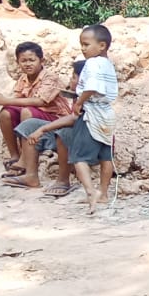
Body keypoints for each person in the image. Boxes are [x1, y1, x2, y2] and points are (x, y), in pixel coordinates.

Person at [2, 59, 84, 197]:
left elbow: (73, 119)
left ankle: (63, 181)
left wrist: (43, 129)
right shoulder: (77, 96)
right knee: (29, 125)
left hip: (87, 138)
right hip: (72, 130)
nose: (71, 80)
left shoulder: (93, 97)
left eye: (74, 77)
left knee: (64, 132)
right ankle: (31, 176)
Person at [58, 25, 117, 214]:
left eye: (86, 44)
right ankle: (104, 193)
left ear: (102, 45)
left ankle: (91, 192)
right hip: (107, 114)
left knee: (78, 156)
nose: (83, 49)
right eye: (81, 45)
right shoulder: (108, 64)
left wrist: (79, 102)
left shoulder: (92, 63)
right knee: (105, 156)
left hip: (92, 113)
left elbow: (91, 87)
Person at [0, 42, 70, 173]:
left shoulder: (50, 77)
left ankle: (25, 160)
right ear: (18, 62)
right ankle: (15, 156)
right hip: (36, 115)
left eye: (32, 60)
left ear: (41, 61)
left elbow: (41, 101)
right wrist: (3, 101)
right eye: (23, 61)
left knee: (26, 112)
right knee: (6, 113)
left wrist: (4, 100)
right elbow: (17, 98)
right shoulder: (23, 78)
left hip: (56, 120)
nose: (28, 64)